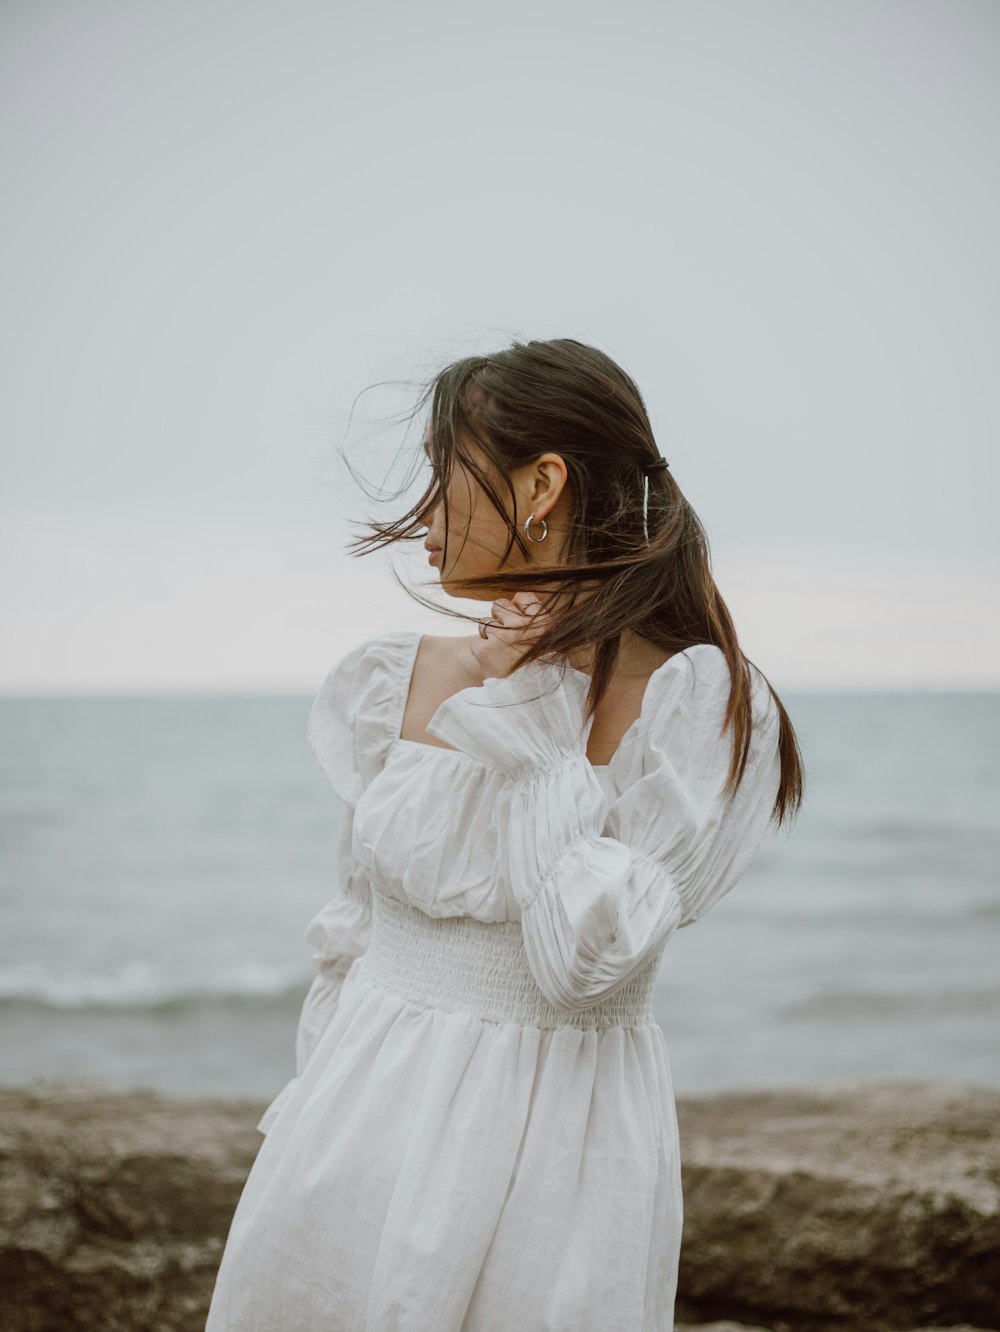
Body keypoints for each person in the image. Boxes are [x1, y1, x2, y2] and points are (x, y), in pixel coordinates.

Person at [205, 337, 804, 1331]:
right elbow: (353, 939)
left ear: (541, 484)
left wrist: (535, 735)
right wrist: (315, 1112)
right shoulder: (394, 678)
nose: (425, 517)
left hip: (558, 1171)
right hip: (348, 1143)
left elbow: (584, 967)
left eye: (443, 476)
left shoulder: (701, 703)